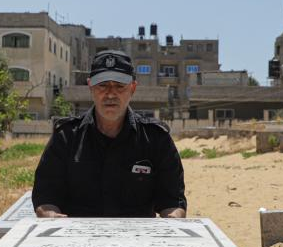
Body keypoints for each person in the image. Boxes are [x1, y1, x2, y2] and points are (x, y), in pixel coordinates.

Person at [32, 49, 187, 218]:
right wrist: (51, 217)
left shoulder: (156, 139)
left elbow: (172, 202)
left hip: (137, 234)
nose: (111, 94)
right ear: (91, 87)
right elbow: (46, 196)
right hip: (78, 234)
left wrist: (173, 220)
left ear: (132, 88)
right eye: (102, 85)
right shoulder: (66, 137)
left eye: (119, 86)